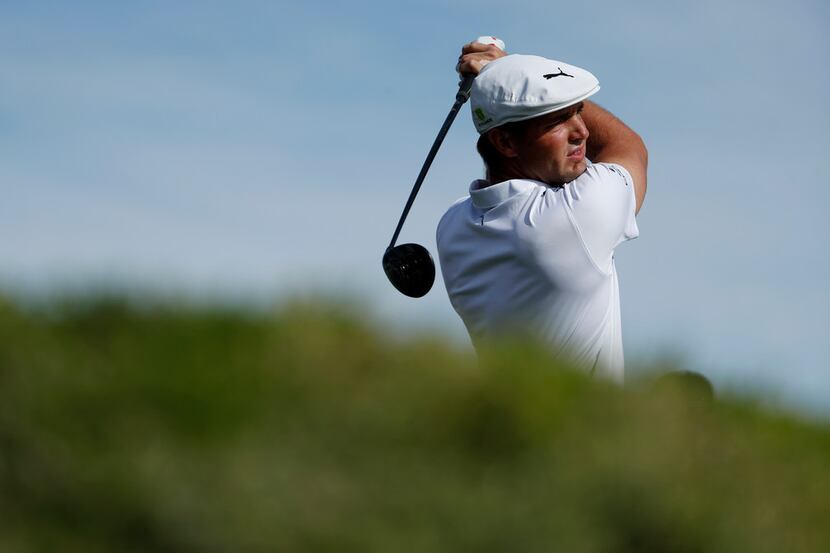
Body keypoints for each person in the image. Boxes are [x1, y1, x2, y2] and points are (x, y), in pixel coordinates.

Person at [436, 42, 647, 382]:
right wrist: (504, 67)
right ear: (505, 142)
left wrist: (507, 77)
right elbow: (626, 147)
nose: (582, 131)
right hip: (586, 431)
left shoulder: (451, 227)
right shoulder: (577, 214)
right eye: (559, 119)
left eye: (578, 110)